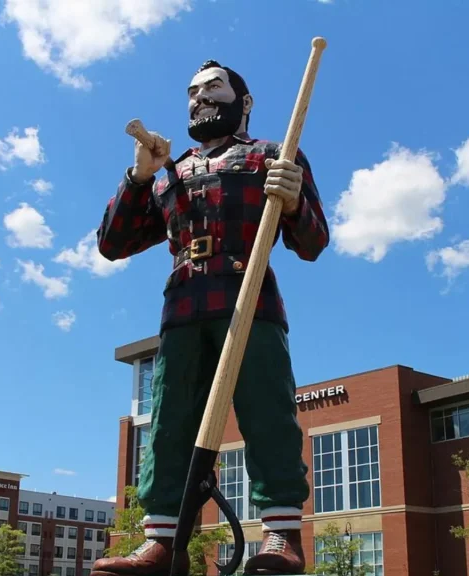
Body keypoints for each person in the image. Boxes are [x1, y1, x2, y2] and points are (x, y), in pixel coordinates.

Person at [92, 59, 329, 576]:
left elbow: (312, 242)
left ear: (243, 102)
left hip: (251, 300)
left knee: (267, 412)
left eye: (213, 87)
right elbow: (113, 243)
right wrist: (140, 175)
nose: (199, 97)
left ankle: (281, 533)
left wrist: (291, 203)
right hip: (181, 306)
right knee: (170, 421)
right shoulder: (168, 174)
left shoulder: (274, 155)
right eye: (192, 91)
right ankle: (161, 540)